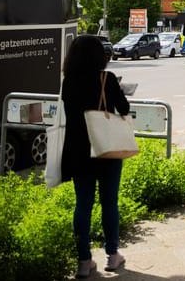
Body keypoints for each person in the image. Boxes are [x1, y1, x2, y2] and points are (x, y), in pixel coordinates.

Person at [61, 35, 130, 278]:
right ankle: (112, 256)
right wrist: (116, 90)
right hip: (106, 150)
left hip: (78, 152)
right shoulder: (106, 78)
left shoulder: (67, 82)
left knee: (83, 205)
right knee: (109, 202)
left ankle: (83, 261)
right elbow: (124, 109)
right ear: (99, 56)